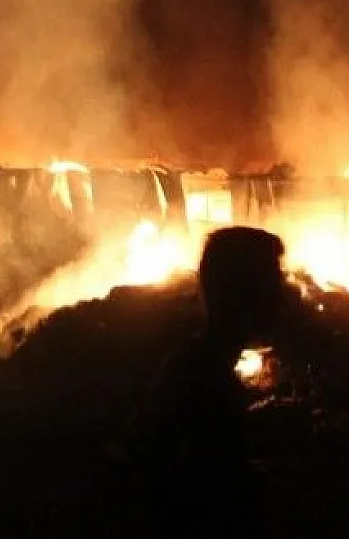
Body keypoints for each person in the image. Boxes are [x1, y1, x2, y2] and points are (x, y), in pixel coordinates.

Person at [128, 226, 288, 538]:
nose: (283, 295)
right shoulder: (202, 384)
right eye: (273, 279)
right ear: (243, 293)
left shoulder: (199, 368)